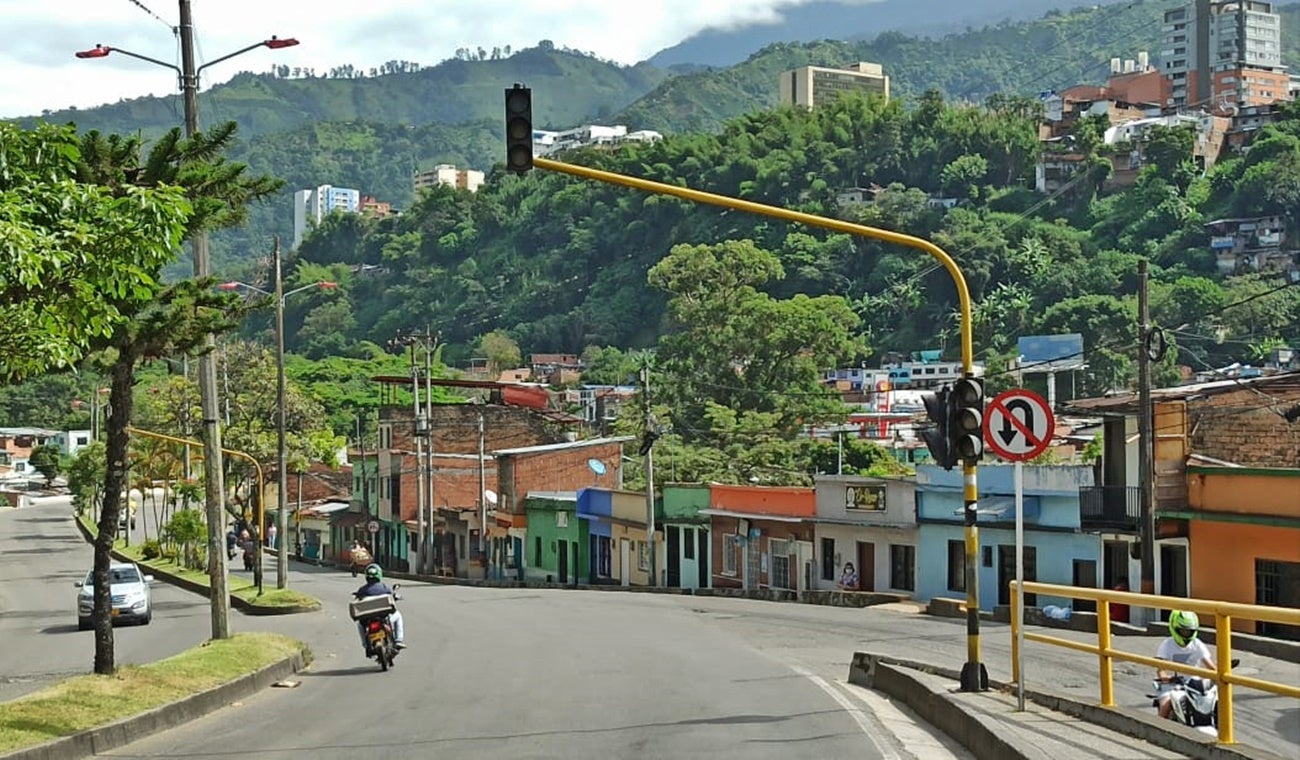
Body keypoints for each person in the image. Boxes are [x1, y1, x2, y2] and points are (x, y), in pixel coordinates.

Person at [1155, 610, 1215, 719]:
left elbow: (1210, 666)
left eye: (1189, 631)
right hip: (1173, 685)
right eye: (1183, 631)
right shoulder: (1167, 644)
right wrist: (1165, 678)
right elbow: (1161, 669)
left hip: (1195, 685)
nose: (1186, 634)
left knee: (1215, 703)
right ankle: (1154, 729)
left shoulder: (1197, 643)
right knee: (1166, 705)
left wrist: (1217, 675)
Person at [354, 564, 405, 649]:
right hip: (383, 618)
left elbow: (357, 598)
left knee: (360, 624)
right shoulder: (384, 587)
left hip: (368, 619)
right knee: (398, 616)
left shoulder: (362, 589)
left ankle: (365, 645)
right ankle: (399, 640)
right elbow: (393, 594)